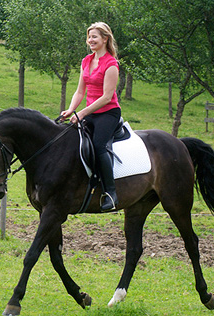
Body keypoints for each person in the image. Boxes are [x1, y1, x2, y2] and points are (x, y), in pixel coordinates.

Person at [60, 22, 121, 211]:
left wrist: (82, 113)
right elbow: (80, 92)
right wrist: (71, 109)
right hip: (89, 112)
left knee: (98, 145)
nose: (91, 40)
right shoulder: (86, 61)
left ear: (105, 39)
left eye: (95, 37)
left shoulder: (111, 64)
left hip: (107, 113)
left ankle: (111, 193)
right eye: (89, 37)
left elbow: (106, 97)